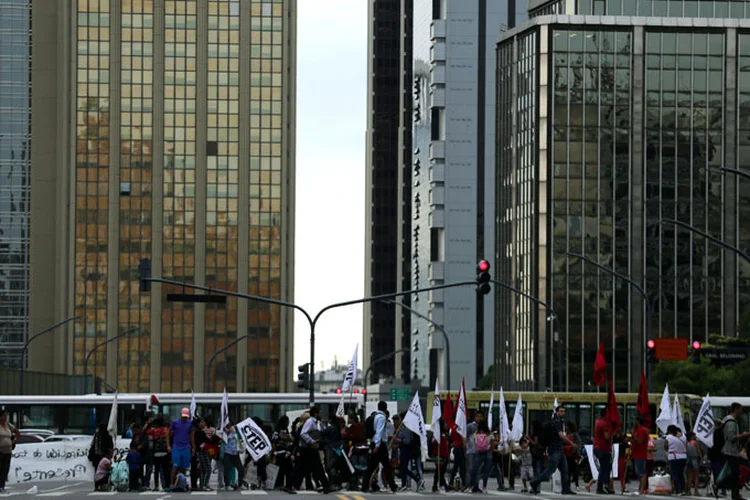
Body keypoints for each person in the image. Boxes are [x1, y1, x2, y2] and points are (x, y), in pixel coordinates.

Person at [528, 406, 578, 495]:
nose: (563, 413)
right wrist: (571, 443)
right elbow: (561, 435)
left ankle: (566, 489)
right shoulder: (557, 421)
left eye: (564, 411)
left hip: (559, 449)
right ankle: (534, 482)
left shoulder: (556, 421)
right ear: (557, 412)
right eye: (561, 411)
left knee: (565, 470)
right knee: (549, 471)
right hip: (555, 450)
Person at [713, 402, 750, 500]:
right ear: (736, 409)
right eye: (740, 409)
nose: (741, 411)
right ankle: (719, 485)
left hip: (730, 450)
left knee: (734, 473)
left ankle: (734, 494)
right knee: (735, 473)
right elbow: (731, 437)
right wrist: (743, 435)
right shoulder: (731, 422)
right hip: (730, 451)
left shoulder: (727, 420)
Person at [363, 402, 398, 494]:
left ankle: (364, 486)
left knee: (371, 467)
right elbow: (379, 431)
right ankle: (393, 486)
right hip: (380, 445)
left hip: (375, 443)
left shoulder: (375, 416)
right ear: (385, 408)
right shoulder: (382, 417)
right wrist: (378, 445)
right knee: (387, 466)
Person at [297, 406, 332, 493]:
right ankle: (326, 486)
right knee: (309, 467)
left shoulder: (316, 422)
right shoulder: (310, 422)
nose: (320, 414)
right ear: (316, 413)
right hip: (309, 449)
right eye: (319, 413)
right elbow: (303, 433)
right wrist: (311, 441)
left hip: (312, 448)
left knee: (307, 467)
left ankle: (325, 486)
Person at [168, 408, 196, 490]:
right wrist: (168, 445)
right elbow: (168, 434)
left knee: (183, 467)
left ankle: (181, 484)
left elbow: (191, 436)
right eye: (183, 416)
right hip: (176, 447)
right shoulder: (175, 422)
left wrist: (193, 447)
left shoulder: (190, 423)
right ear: (180, 414)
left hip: (186, 447)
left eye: (186, 417)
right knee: (175, 466)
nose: (184, 418)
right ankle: (171, 483)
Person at [395, 422, 423, 491]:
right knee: (403, 468)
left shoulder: (407, 429)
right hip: (404, 449)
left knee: (404, 467)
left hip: (406, 449)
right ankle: (405, 484)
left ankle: (417, 480)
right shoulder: (404, 428)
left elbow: (406, 441)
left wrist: (397, 439)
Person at [271, 416, 295, 493]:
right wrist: (274, 453)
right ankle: (284, 485)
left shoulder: (286, 430)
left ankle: (287, 485)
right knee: (284, 469)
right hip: (280, 452)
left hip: (286, 452)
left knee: (287, 469)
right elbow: (273, 442)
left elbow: (290, 440)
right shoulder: (277, 431)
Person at [147, 417, 171, 492]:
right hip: (165, 452)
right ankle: (167, 485)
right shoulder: (166, 429)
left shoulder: (154, 430)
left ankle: (156, 485)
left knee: (156, 470)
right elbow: (171, 434)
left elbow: (146, 432)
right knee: (165, 469)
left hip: (156, 452)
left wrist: (148, 424)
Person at [593, 408, 613, 495]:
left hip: (597, 447)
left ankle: (605, 485)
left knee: (606, 467)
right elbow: (607, 437)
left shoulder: (598, 421)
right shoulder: (605, 423)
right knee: (604, 468)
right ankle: (601, 487)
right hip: (603, 448)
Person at [469, 420, 493, 493]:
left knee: (475, 470)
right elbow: (492, 443)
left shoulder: (476, 433)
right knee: (486, 471)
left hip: (478, 452)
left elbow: (473, 441)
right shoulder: (489, 433)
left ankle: (473, 486)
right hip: (487, 452)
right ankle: (484, 487)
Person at [221, 423, 246, 491]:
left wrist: (236, 431)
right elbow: (223, 440)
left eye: (231, 426)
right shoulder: (225, 433)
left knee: (241, 468)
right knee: (227, 469)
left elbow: (241, 439)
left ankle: (240, 483)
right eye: (229, 427)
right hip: (228, 453)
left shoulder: (237, 432)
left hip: (235, 453)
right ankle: (227, 485)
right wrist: (228, 433)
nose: (230, 428)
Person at [0, 409, 19, 494]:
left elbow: (17, 432)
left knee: (5, 469)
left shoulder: (8, 425)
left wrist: (14, 440)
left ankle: (2, 486)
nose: (5, 417)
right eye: (4, 416)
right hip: (0, 450)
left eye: (6, 416)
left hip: (8, 450)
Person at [630, 416, 650, 495]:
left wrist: (634, 435)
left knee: (642, 472)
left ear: (638, 421)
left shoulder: (642, 430)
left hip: (640, 455)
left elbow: (640, 441)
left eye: (635, 420)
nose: (633, 422)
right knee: (638, 472)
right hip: (636, 454)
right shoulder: (637, 430)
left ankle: (642, 489)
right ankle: (640, 488)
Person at [665, 425, 687, 495]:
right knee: (681, 474)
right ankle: (683, 489)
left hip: (673, 457)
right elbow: (686, 446)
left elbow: (665, 446)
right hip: (683, 456)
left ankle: (678, 490)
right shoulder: (683, 436)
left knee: (675, 474)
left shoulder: (669, 437)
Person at [465, 411, 484, 489]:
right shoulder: (470, 426)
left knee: (478, 469)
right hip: (471, 450)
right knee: (470, 468)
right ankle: (469, 484)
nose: (479, 418)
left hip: (480, 451)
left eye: (480, 416)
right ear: (475, 417)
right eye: (477, 416)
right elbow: (465, 437)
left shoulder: (483, 426)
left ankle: (476, 485)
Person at [431, 418, 450, 492]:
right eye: (445, 424)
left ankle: (438, 485)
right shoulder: (436, 433)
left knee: (440, 471)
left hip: (445, 455)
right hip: (438, 454)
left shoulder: (446, 433)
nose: (446, 425)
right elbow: (433, 442)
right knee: (439, 471)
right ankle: (443, 485)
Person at [449, 418, 467, 489]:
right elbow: (462, 437)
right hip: (459, 447)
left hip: (456, 447)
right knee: (461, 466)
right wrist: (464, 444)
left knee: (456, 466)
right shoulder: (459, 428)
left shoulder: (453, 427)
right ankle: (463, 483)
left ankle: (451, 482)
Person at [565, 421, 583, 491]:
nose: (565, 427)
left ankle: (577, 485)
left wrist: (576, 453)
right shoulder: (565, 434)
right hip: (566, 455)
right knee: (568, 471)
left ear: (569, 427)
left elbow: (578, 444)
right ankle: (568, 486)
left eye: (567, 426)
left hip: (573, 455)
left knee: (574, 471)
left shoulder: (575, 435)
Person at [686, 431, 703, 496]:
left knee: (689, 477)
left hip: (688, 459)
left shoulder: (686, 443)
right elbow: (699, 451)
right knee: (696, 476)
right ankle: (696, 491)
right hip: (695, 459)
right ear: (692, 436)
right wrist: (701, 459)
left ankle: (689, 491)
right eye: (694, 436)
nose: (695, 437)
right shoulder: (695, 442)